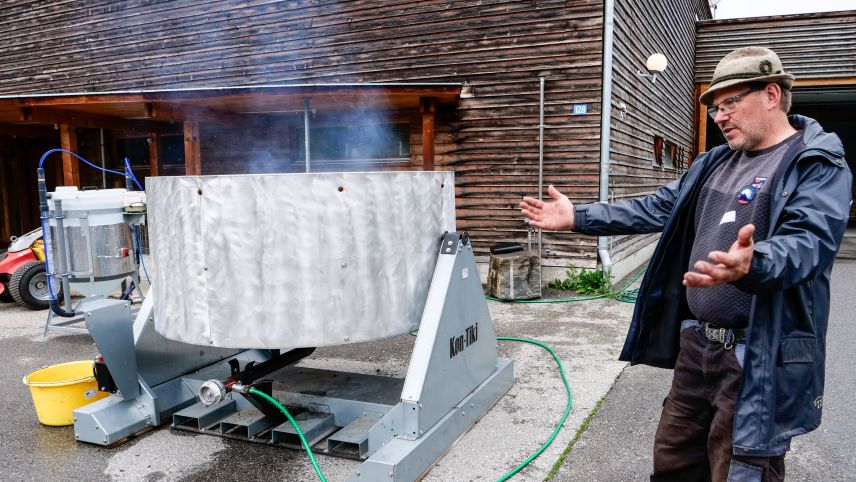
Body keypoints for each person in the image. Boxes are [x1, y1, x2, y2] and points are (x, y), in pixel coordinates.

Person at [520, 46, 852, 481]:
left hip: (758, 352)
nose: (720, 116)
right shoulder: (714, 162)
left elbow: (810, 243)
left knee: (741, 471)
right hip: (699, 346)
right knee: (673, 463)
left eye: (730, 102)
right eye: (715, 108)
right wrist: (578, 216)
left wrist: (755, 262)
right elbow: (656, 207)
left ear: (772, 94)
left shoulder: (814, 162)